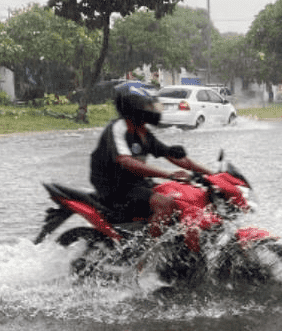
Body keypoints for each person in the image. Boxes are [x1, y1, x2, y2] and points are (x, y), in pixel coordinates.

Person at [90, 82, 213, 233]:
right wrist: (169, 174)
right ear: (134, 106)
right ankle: (149, 253)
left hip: (137, 185)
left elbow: (174, 156)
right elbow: (126, 161)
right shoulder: (119, 128)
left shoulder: (143, 133)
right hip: (115, 189)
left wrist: (212, 174)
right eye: (149, 105)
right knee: (166, 204)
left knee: (184, 196)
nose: (154, 108)